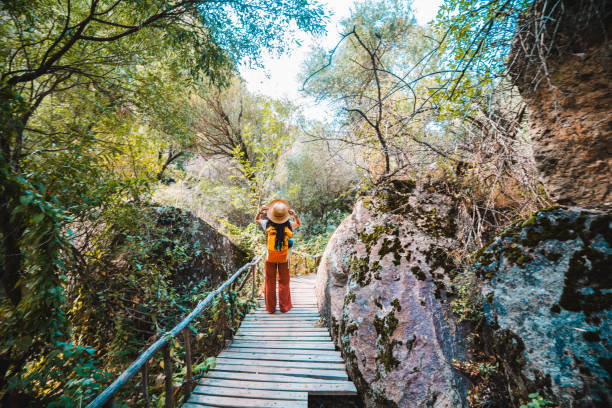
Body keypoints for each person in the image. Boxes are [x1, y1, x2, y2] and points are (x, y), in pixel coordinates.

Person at [254, 199, 301, 313]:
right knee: (284, 282)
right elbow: (298, 224)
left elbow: (257, 220)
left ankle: (270, 308)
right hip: (284, 258)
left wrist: (261, 211)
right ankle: (284, 307)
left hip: (270, 257)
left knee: (270, 282)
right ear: (285, 215)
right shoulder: (289, 226)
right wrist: (294, 215)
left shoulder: (267, 224)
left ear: (272, 215)